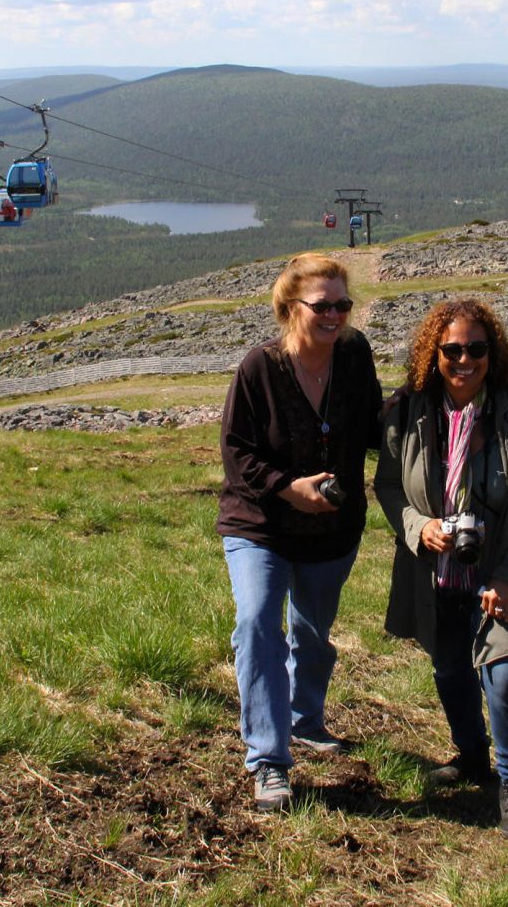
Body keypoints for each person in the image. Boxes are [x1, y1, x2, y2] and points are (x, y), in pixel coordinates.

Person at [373, 298, 508, 836]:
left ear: (491, 353)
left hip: (500, 574)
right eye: (452, 349)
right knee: (450, 668)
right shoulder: (409, 410)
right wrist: (418, 528)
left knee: (503, 677)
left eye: (477, 349)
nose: (464, 360)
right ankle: (472, 755)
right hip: (436, 573)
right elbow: (387, 486)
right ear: (435, 354)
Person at [217, 253, 383, 811]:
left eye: (343, 305)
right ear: (291, 309)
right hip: (260, 523)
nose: (335, 316)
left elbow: (373, 425)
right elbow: (236, 453)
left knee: (312, 633)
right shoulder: (258, 368)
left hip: (333, 529)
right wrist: (290, 487)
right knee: (257, 623)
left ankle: (305, 719)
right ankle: (268, 760)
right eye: (323, 306)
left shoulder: (355, 356)